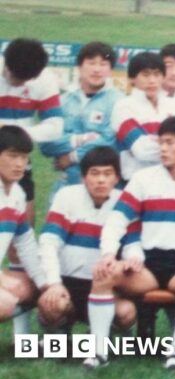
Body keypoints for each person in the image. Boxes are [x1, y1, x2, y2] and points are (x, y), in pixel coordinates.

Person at [84, 117, 175, 370]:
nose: (163, 149)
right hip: (147, 266)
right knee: (104, 274)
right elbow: (117, 220)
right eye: (161, 143)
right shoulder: (143, 178)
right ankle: (99, 353)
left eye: (170, 143)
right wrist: (108, 254)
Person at [37, 147, 137, 334]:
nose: (101, 180)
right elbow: (48, 242)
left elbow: (133, 243)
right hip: (68, 282)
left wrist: (131, 258)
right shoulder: (67, 196)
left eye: (108, 174)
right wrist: (54, 282)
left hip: (105, 285)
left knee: (126, 312)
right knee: (52, 304)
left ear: (117, 178)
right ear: (83, 177)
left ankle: (101, 337)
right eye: (94, 173)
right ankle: (58, 331)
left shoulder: (125, 202)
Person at [40, 42, 123, 200]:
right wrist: (80, 139)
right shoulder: (62, 101)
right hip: (67, 185)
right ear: (79, 66)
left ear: (110, 69)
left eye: (103, 64)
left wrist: (72, 157)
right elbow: (46, 143)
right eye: (91, 63)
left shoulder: (119, 102)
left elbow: (109, 141)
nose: (97, 69)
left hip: (105, 189)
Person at [0, 37, 64, 224]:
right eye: (16, 78)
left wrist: (11, 133)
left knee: (24, 228)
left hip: (17, 160)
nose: (20, 84)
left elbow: (55, 127)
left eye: (26, 80)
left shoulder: (45, 79)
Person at [0, 126, 47, 329]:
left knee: (33, 286)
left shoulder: (17, 194)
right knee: (6, 302)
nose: (20, 164)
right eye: (13, 156)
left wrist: (46, 285)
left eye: (24, 158)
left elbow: (26, 244)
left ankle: (23, 341)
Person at [112, 52, 175, 181]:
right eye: (145, 75)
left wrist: (156, 141)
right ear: (132, 78)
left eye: (157, 74)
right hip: (136, 183)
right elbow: (142, 150)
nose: (152, 80)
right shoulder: (123, 107)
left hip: (170, 181)